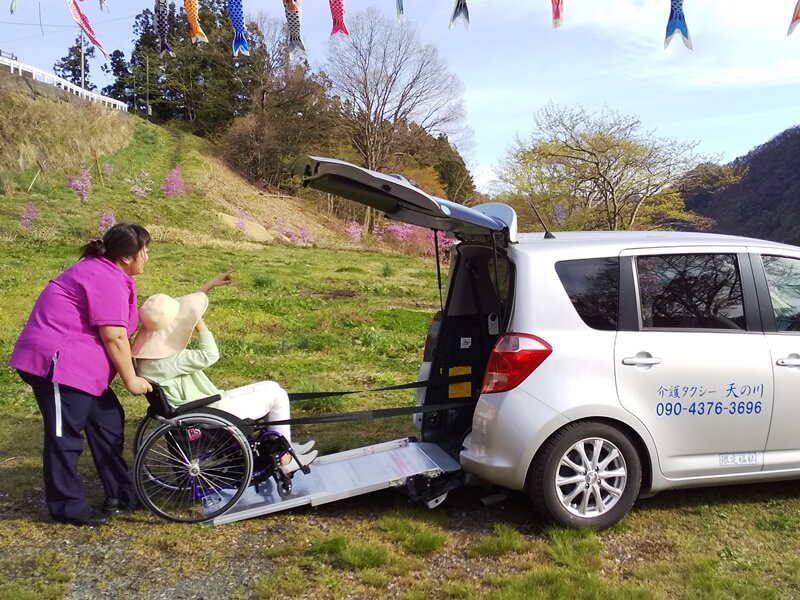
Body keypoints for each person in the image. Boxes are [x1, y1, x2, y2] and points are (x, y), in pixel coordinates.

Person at [9, 223, 153, 527]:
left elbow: (120, 335)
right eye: (145, 251)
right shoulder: (102, 276)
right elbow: (113, 336)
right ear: (127, 257)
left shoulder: (112, 273)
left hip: (84, 368)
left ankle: (121, 493)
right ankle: (67, 506)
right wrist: (131, 380)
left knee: (108, 421)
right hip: (58, 365)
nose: (147, 257)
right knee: (65, 434)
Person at [132, 272, 317, 475]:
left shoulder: (147, 358)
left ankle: (282, 446)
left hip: (199, 405)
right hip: (210, 411)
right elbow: (211, 354)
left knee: (271, 386)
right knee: (277, 396)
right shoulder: (169, 360)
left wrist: (207, 287)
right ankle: (285, 458)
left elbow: (187, 311)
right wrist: (199, 324)